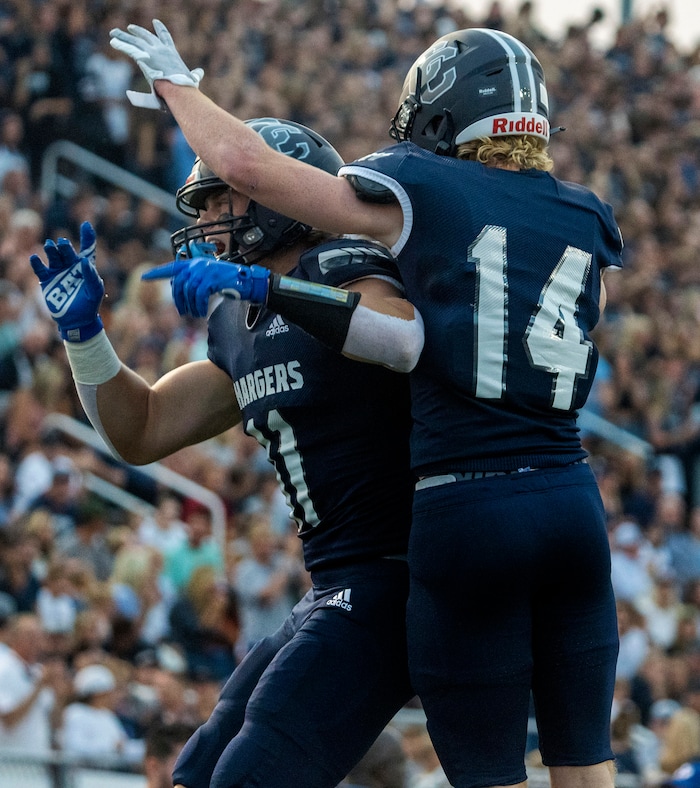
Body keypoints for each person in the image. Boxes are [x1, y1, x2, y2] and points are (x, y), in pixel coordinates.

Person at [108, 20, 623, 788]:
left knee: (489, 774)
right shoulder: (583, 213)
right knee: (586, 764)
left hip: (464, 509)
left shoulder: (412, 193)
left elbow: (404, 334)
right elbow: (581, 314)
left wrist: (175, 85)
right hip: (569, 496)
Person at [29, 116, 422, 787]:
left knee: (254, 766)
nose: (208, 217)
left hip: (403, 572)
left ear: (279, 194)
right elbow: (143, 427)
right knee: (202, 763)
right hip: (331, 582)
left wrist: (271, 288)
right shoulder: (242, 324)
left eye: (221, 197)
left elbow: (399, 332)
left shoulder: (342, 267)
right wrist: (85, 336)